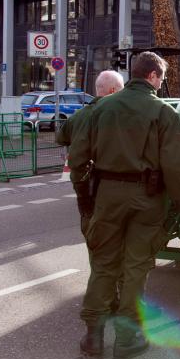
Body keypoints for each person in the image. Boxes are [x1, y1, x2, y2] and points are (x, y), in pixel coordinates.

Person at [72, 52, 180, 359]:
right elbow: (176, 168)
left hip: (107, 194)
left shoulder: (102, 107)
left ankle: (93, 337)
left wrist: (85, 197)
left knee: (104, 264)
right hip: (147, 198)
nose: (162, 83)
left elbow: (77, 157)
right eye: (162, 77)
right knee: (136, 266)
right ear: (152, 75)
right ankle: (126, 339)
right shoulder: (164, 113)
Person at [56, 70, 124, 309]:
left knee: (97, 249)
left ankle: (105, 298)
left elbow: (61, 136)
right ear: (114, 91)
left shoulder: (80, 115)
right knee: (120, 247)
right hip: (114, 193)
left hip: (86, 195)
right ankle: (119, 299)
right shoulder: (118, 115)